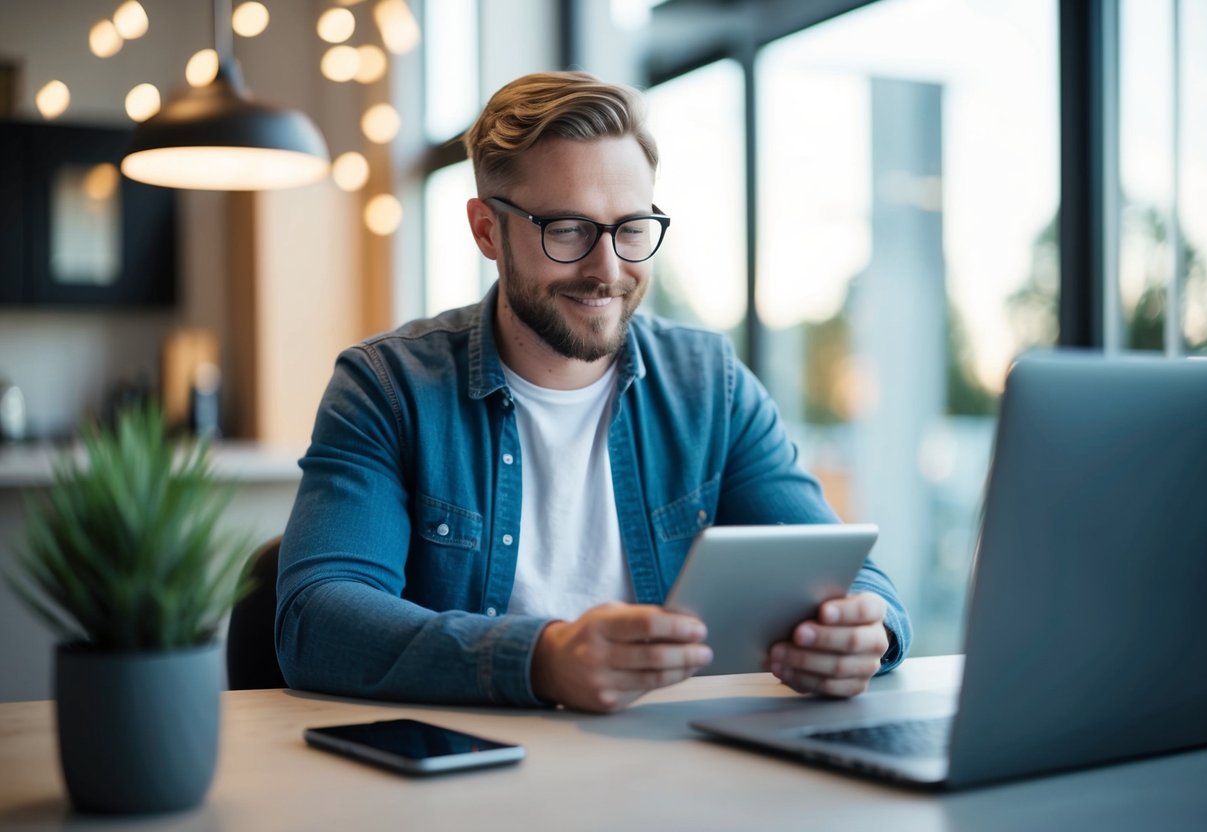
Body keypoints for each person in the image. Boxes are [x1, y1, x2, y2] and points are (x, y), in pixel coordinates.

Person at [276, 71, 911, 713]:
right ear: (487, 231)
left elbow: (849, 575)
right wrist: (542, 660)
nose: (607, 270)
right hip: (466, 782)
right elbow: (316, 618)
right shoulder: (387, 388)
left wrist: (867, 632)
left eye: (632, 227)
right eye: (569, 229)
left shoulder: (709, 385)